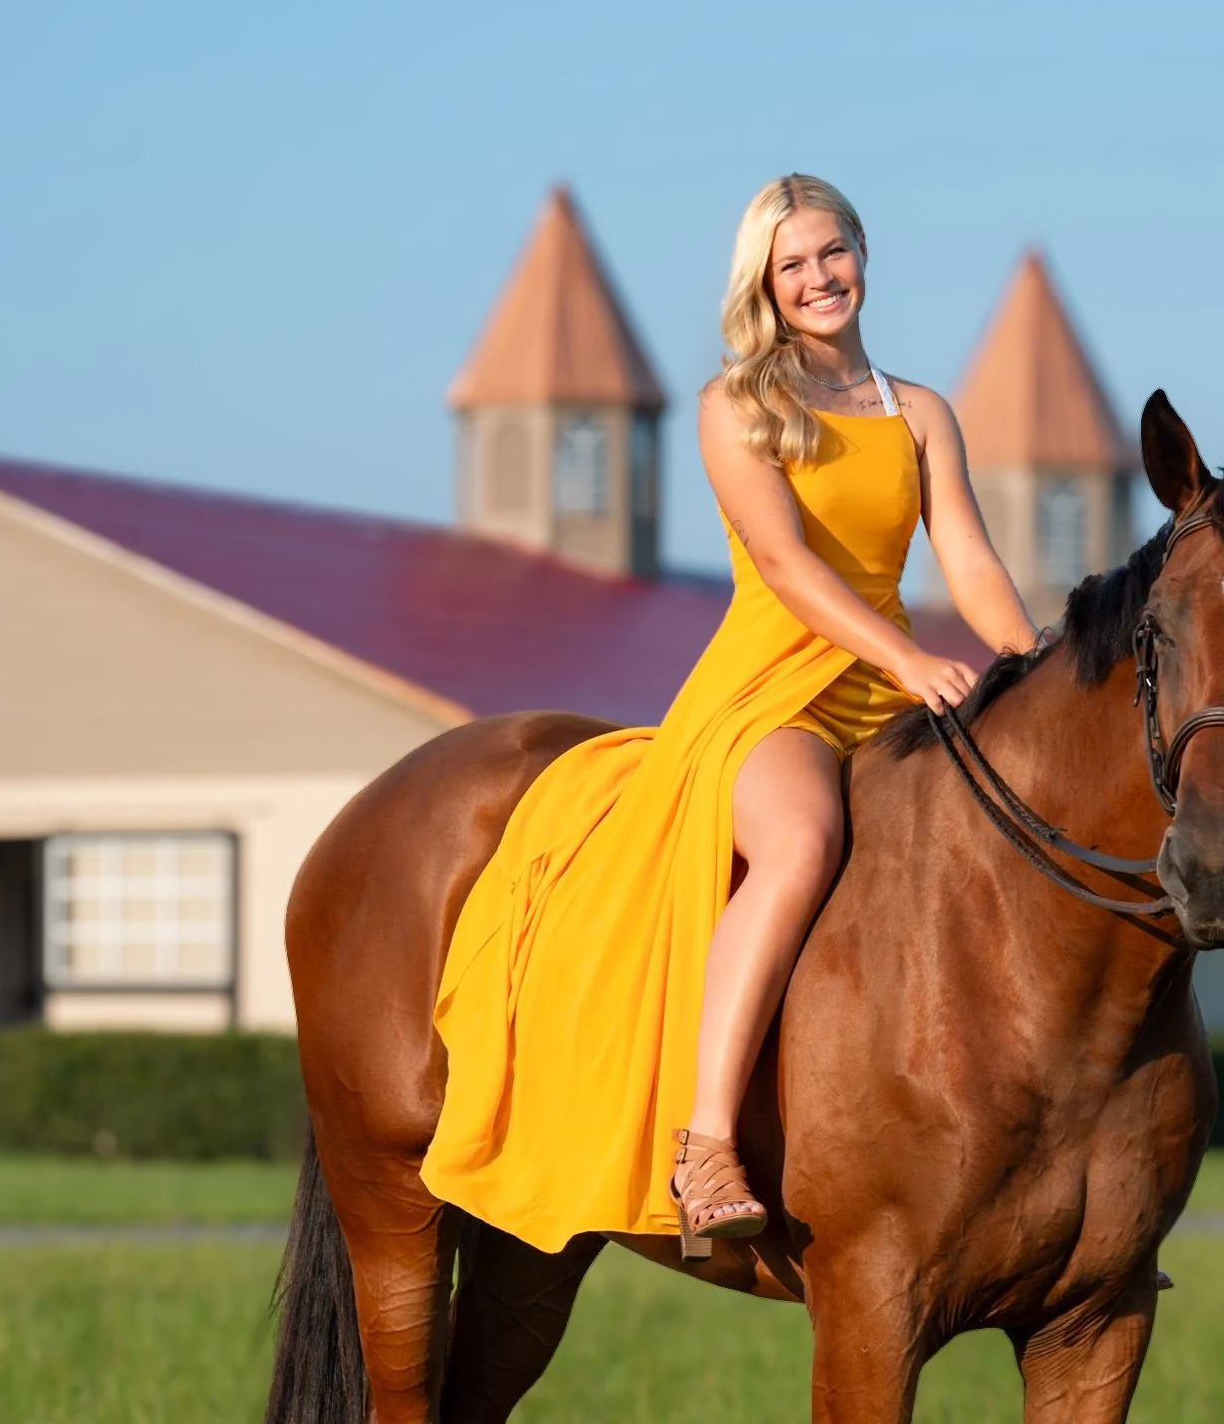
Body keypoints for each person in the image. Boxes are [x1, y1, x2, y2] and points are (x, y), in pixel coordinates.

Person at [421, 174, 1038, 1259]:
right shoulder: (735, 406)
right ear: (764, 280)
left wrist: (1034, 667)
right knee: (800, 844)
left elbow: (972, 561)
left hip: (889, 687)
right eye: (791, 263)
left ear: (861, 251)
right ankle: (706, 1146)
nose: (817, 279)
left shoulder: (919, 411)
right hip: (776, 688)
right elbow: (784, 565)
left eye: (831, 252)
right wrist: (903, 657)